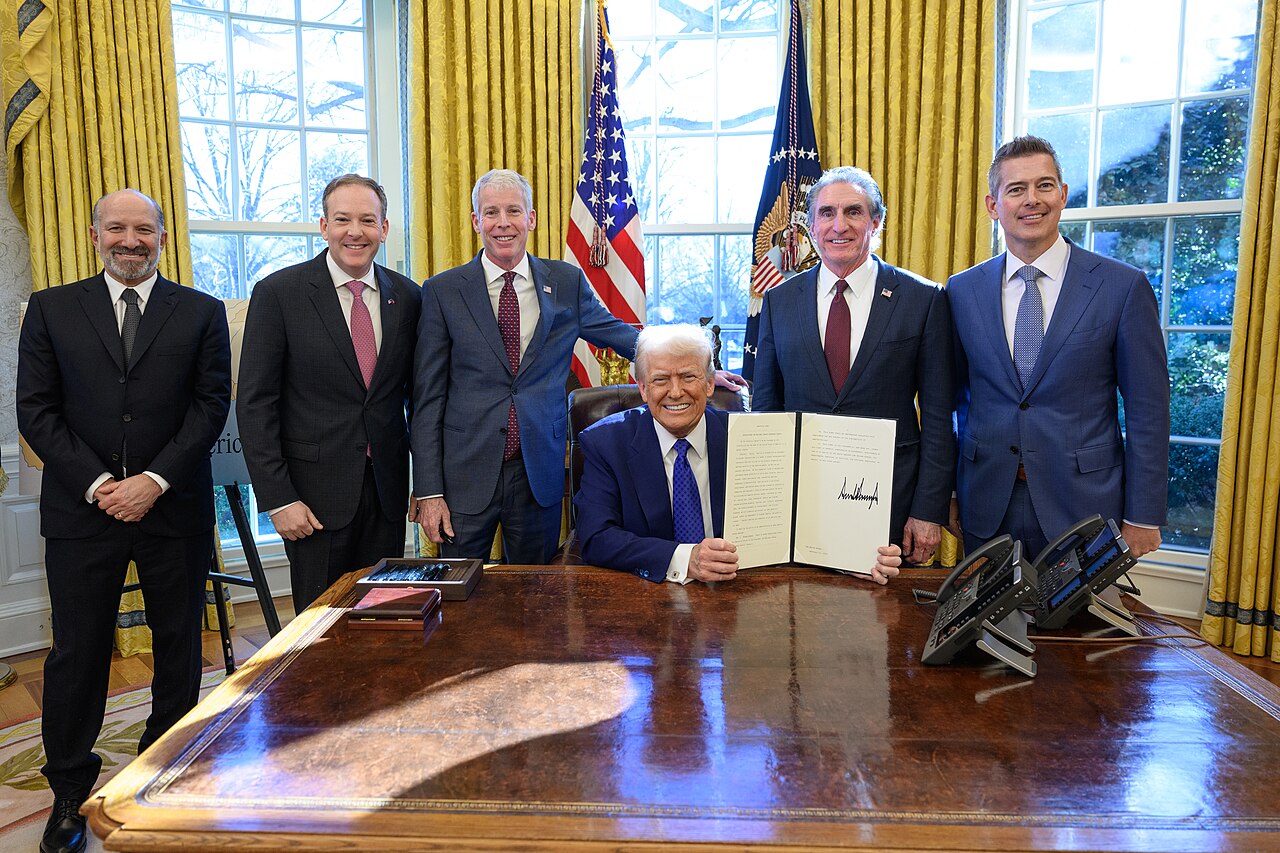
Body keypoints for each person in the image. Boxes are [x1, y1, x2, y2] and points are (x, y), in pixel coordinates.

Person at [16, 189, 232, 853]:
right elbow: (36, 411)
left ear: (162, 237)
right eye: (117, 227)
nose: (129, 239)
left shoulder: (200, 312)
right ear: (94, 233)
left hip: (175, 508)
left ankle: (162, 771)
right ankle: (69, 795)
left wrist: (154, 481)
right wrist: (104, 484)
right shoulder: (53, 310)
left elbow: (209, 406)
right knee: (77, 654)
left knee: (178, 650)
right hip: (83, 513)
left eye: (143, 229)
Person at [412, 169, 746, 564]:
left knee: (538, 598)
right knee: (458, 594)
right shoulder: (442, 290)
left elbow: (618, 333)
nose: (503, 223)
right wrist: (429, 490)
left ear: (531, 218)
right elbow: (426, 398)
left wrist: (695, 367)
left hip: (539, 470)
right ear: (475, 221)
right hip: (464, 474)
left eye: (514, 211)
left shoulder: (565, 280)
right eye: (491, 213)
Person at [947, 136, 1169, 560]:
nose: (1032, 200)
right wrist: (951, 492)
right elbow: (952, 402)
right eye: (1016, 189)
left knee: (1085, 626)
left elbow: (1148, 411)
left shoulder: (1121, 287)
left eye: (1044, 185)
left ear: (1063, 195)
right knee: (992, 627)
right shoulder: (962, 290)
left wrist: (1144, 515)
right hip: (987, 502)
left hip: (1085, 506)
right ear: (994, 206)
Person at [576, 324, 903, 584]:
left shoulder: (754, 439)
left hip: (741, 595)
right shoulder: (605, 443)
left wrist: (851, 559)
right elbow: (596, 538)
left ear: (709, 383)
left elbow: (794, 525)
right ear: (643, 389)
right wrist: (684, 558)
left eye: (689, 377)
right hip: (646, 603)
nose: (676, 392)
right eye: (661, 379)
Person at [752, 166, 955, 565]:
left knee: (886, 622)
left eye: (854, 212)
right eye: (826, 213)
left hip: (890, 501)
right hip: (802, 501)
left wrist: (928, 511)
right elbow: (765, 412)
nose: (838, 225)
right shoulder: (779, 301)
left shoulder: (923, 299)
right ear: (811, 225)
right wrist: (768, 506)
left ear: (876, 222)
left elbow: (937, 416)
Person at [238, 174, 422, 611]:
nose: (354, 231)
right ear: (323, 226)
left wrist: (426, 481)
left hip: (387, 495)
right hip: (312, 501)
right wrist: (279, 498)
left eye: (366, 220)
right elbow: (255, 404)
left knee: (383, 617)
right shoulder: (278, 294)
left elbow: (420, 398)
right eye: (342, 220)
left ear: (384, 228)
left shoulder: (410, 297)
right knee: (320, 628)